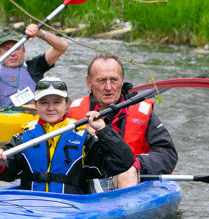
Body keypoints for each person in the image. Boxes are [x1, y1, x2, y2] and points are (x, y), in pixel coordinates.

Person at [0, 76, 134, 194]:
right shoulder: (23, 138)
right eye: (44, 102)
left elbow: (123, 162)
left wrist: (103, 129)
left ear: (66, 104)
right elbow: (7, 171)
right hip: (31, 209)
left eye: (57, 102)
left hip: (71, 208)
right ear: (36, 105)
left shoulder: (84, 138)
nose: (50, 108)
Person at [68, 55, 177, 188]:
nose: (108, 87)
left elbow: (167, 154)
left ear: (122, 80)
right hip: (88, 181)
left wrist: (137, 166)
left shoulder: (141, 111)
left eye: (114, 80)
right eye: (101, 80)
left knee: (127, 171)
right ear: (89, 82)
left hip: (129, 181)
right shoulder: (74, 111)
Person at [0, 24, 69, 108]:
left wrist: (39, 33)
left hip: (33, 117)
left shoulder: (34, 66)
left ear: (24, 51)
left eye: (17, 48)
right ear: (0, 53)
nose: (13, 54)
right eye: (8, 49)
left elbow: (62, 47)